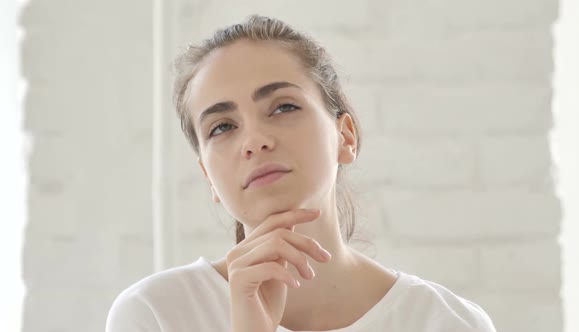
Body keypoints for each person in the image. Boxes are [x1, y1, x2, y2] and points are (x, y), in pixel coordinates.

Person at [106, 15, 497, 332]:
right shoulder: (155, 315)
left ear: (345, 136)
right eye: (222, 127)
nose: (254, 140)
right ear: (208, 175)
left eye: (283, 107)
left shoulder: (447, 323)